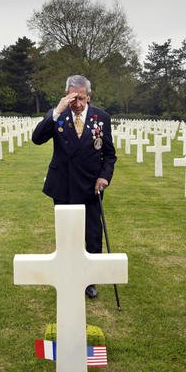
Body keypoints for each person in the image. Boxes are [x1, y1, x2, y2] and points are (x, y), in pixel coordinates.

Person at [32, 75, 117, 299]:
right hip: (63, 184)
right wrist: (57, 111)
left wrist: (104, 177)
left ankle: (89, 280)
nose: (77, 103)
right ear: (66, 96)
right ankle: (67, 276)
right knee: (67, 234)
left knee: (92, 234)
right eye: (72, 98)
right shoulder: (59, 116)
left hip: (91, 186)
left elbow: (109, 155)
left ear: (88, 96)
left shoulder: (102, 117)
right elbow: (37, 138)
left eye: (81, 98)